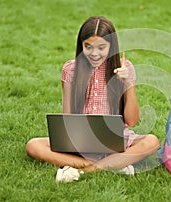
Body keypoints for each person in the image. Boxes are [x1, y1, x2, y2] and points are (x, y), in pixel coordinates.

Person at [25, 16, 160, 182]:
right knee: (33, 145)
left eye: (101, 47)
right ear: (81, 45)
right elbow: (67, 117)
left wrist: (128, 83)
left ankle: (82, 169)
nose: (94, 53)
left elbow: (132, 121)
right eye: (88, 47)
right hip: (81, 141)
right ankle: (111, 165)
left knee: (152, 142)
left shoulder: (125, 69)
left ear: (112, 47)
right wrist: (74, 140)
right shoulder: (70, 70)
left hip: (116, 141)